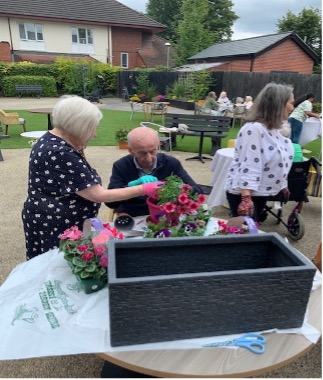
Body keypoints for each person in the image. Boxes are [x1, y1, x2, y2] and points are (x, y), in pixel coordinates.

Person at [22, 96, 161, 260]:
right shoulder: (60, 152)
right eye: (91, 128)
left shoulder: (51, 140)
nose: (94, 134)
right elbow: (98, 195)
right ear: (78, 126)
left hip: (48, 218)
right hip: (56, 224)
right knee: (57, 270)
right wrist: (143, 189)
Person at [224, 82, 295, 222]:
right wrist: (246, 198)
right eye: (291, 103)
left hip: (259, 192)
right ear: (278, 104)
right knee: (245, 236)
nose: (293, 107)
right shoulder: (254, 129)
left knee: (251, 233)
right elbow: (250, 164)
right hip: (245, 193)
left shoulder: (273, 131)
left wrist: (283, 185)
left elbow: (280, 161)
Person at [105, 126, 203, 217]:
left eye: (152, 151)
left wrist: (180, 188)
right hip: (134, 215)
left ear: (158, 145)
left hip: (166, 214)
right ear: (131, 150)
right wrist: (131, 188)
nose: (149, 158)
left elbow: (198, 193)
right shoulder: (121, 166)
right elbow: (110, 202)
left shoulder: (170, 163)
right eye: (142, 153)